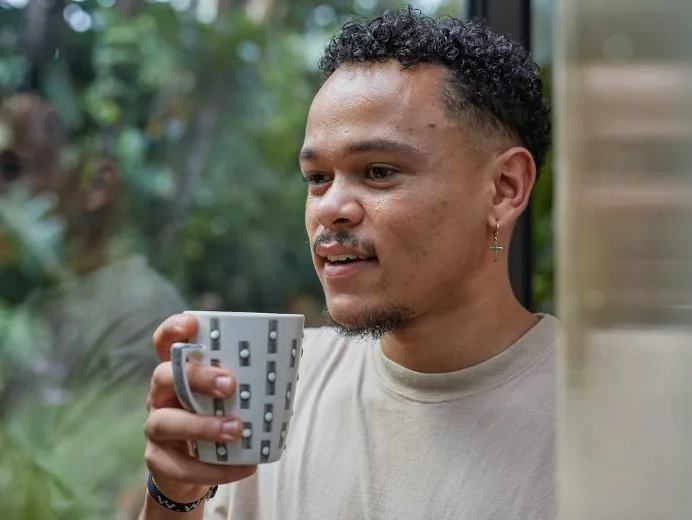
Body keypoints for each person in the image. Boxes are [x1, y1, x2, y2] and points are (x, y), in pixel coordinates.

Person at [140, 7, 554, 519]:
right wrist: (174, 495)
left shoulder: (618, 415)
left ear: (503, 189)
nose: (330, 207)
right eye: (317, 177)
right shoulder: (270, 388)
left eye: (378, 171)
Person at [0, 92, 186, 412]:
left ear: (97, 185)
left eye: (11, 167)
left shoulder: (139, 313)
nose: (3, 189)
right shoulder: (39, 298)